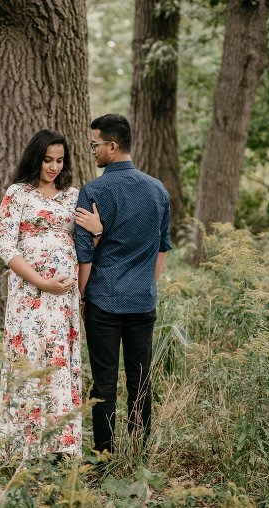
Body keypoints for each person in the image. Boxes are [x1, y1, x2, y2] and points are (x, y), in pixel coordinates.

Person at [0, 129, 102, 459]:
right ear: (35, 158)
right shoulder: (18, 194)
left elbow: (86, 244)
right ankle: (23, 447)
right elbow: (6, 246)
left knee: (59, 361)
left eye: (59, 160)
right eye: (47, 160)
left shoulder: (74, 197)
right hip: (29, 296)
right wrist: (41, 282)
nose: (54, 167)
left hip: (64, 300)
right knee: (30, 359)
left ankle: (61, 446)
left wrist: (97, 232)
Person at [75, 113, 171, 457]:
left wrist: (83, 297)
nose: (92, 150)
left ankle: (104, 455)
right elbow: (163, 247)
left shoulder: (94, 191)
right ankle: (140, 451)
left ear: (112, 146)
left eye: (94, 144)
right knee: (140, 377)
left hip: (103, 301)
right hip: (143, 300)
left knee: (103, 381)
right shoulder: (158, 189)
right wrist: (147, 285)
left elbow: (84, 255)